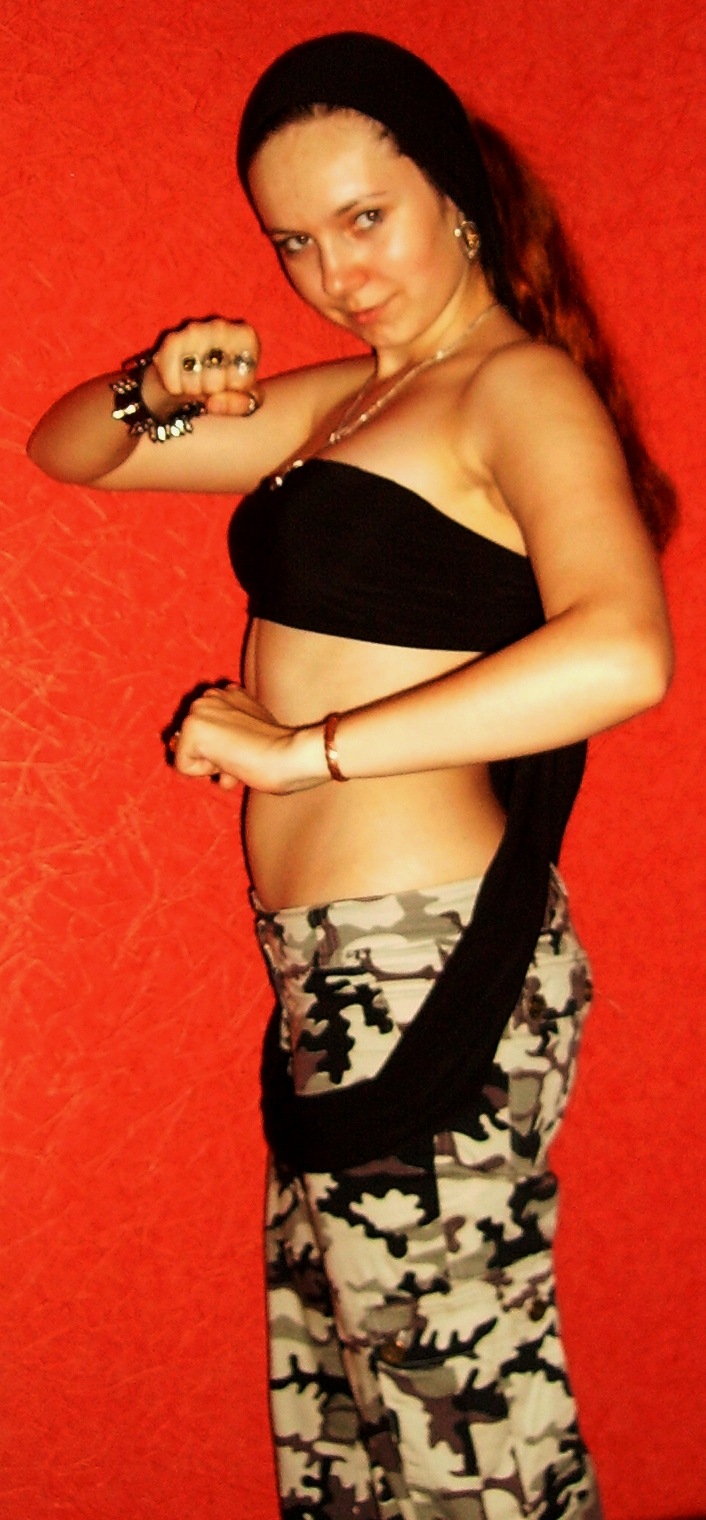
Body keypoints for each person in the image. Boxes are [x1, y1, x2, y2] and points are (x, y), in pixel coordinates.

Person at [28, 30, 675, 1520]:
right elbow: (73, 454)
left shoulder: (515, 387)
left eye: (364, 217)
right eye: (295, 243)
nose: (334, 272)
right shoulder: (354, 404)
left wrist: (300, 751)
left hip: (425, 951)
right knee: (350, 1427)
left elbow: (624, 652)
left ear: (454, 194)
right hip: (333, 964)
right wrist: (149, 386)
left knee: (466, 1441)